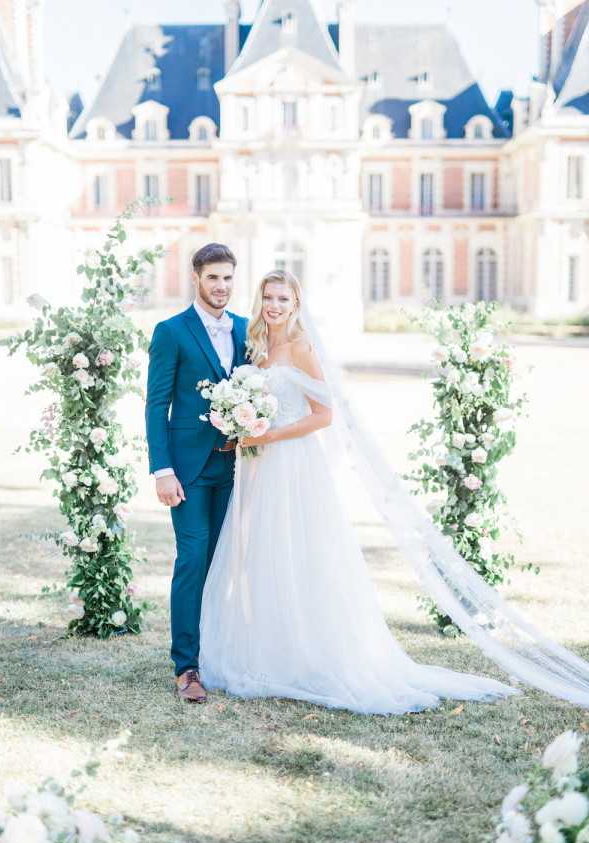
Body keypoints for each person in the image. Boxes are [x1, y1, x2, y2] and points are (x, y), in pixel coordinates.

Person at [198, 271, 516, 714]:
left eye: (283, 299)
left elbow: (324, 414)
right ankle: (268, 650)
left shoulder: (302, 348)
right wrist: (241, 425)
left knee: (299, 552)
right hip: (257, 468)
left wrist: (266, 436)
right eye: (268, 297)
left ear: (296, 304)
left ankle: (308, 654)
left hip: (291, 465)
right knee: (263, 553)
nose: (274, 306)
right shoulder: (257, 347)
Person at [145, 243, 248, 703]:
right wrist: (162, 470)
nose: (221, 286)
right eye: (213, 278)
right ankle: (186, 666)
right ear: (196, 278)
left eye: (227, 278)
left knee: (228, 562)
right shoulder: (171, 331)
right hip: (187, 471)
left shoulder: (247, 330)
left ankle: (223, 654)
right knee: (193, 560)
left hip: (237, 468)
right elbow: (156, 404)